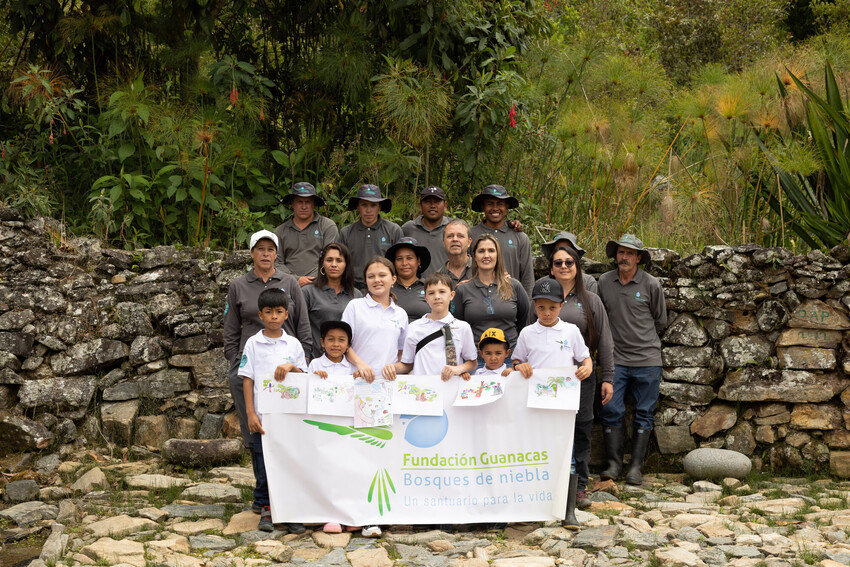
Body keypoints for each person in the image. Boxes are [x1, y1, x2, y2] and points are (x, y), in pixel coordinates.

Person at [223, 230, 312, 512]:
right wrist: (235, 361)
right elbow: (231, 328)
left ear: (277, 253)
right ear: (251, 253)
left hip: (287, 366)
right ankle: (263, 491)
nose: (265, 254)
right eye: (259, 249)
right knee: (255, 428)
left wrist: (302, 358)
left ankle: (286, 492)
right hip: (250, 364)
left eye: (270, 249)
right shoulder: (238, 285)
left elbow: (302, 323)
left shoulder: (288, 282)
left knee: (288, 429)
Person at [536, 245, 615, 511]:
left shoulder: (590, 299)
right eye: (558, 263)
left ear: (577, 267)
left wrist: (608, 376)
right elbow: (528, 332)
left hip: (580, 376)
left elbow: (604, 339)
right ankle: (544, 484)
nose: (564, 267)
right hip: (546, 379)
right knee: (545, 431)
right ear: (551, 268)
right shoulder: (540, 296)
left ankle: (578, 487)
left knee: (580, 430)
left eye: (569, 262)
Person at [511, 277, 592, 530]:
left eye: (552, 308)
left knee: (565, 453)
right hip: (534, 405)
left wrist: (586, 368)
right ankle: (533, 505)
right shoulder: (527, 333)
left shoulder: (571, 331)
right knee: (536, 451)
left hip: (563, 405)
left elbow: (585, 358)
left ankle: (567, 511)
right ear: (534, 306)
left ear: (562, 304)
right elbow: (516, 361)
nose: (546, 313)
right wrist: (520, 366)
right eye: (541, 307)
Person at [597, 234, 667, 486]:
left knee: (644, 413)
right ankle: (614, 464)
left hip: (648, 359)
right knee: (610, 409)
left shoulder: (651, 284)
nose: (624, 257)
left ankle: (635, 467)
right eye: (620, 252)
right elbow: (598, 317)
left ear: (639, 258)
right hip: (615, 360)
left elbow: (661, 320)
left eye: (629, 253)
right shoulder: (604, 282)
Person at [239, 288, 308, 534]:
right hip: (264, 415)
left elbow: (304, 376)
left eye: (279, 312)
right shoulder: (253, 343)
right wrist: (250, 413)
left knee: (288, 461)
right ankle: (267, 507)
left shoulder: (293, 343)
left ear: (287, 315)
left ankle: (289, 510)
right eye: (268, 312)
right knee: (264, 461)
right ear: (260, 315)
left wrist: (291, 366)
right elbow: (247, 379)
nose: (274, 317)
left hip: (288, 417)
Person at [307, 320, 360, 535]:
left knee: (349, 470)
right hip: (325, 428)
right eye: (330, 339)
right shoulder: (315, 366)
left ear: (348, 345)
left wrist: (358, 379)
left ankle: (351, 515)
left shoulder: (354, 367)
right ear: (322, 342)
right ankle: (331, 516)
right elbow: (309, 391)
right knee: (327, 470)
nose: (335, 344)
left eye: (341, 340)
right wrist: (315, 378)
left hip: (349, 428)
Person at [453, 234, 530, 367]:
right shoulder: (463, 290)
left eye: (491, 251)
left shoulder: (514, 286)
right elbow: (457, 327)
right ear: (474, 256)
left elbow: (525, 320)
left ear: (498, 255)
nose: (486, 255)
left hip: (511, 359)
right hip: (475, 360)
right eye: (481, 251)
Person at [385, 273, 477, 380]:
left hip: (451, 388)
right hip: (423, 390)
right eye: (431, 293)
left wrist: (459, 369)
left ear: (451, 295)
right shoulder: (414, 327)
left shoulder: (462, 327)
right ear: (426, 297)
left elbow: (472, 363)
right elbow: (407, 364)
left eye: (442, 292)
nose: (437, 297)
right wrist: (392, 368)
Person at [469, 185, 534, 297]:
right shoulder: (471, 235)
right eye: (490, 204)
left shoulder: (520, 237)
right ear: (483, 207)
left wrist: (528, 307)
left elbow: (527, 278)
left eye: (500, 204)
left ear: (507, 207)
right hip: (478, 301)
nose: (495, 208)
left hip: (511, 302)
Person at [303, 243, 362, 359]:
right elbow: (301, 327)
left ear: (346, 265)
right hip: (315, 360)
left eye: (339, 260)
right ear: (322, 264)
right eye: (329, 260)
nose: (334, 264)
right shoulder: (308, 292)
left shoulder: (356, 295)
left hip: (347, 363)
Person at [274, 182, 339, 287]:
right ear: (292, 203)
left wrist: (310, 280)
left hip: (320, 285)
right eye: (299, 202)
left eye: (308, 202)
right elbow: (276, 262)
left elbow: (331, 258)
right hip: (288, 285)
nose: (304, 206)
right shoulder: (280, 231)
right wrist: (295, 279)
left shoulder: (327, 226)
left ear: (313, 204)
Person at [339, 184, 403, 291]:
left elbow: (400, 263)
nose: (368, 210)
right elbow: (340, 263)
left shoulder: (393, 230)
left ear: (380, 207)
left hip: (384, 288)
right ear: (357, 207)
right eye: (364, 205)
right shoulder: (346, 232)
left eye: (373, 205)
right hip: (353, 289)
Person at [401, 186, 450, 277]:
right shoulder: (408, 229)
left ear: (445, 206)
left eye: (437, 201)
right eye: (427, 202)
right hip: (415, 287)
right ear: (420, 206)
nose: (432, 205)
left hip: (446, 287)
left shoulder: (454, 229)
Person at [386, 237, 431, 322]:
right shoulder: (386, 288)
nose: (404, 263)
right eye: (399, 259)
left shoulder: (429, 287)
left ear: (418, 261)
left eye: (409, 258)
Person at [437, 219, 473, 286]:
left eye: (460, 236)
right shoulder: (437, 278)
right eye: (450, 236)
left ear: (469, 242)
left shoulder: (480, 270)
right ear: (444, 242)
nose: (455, 239)